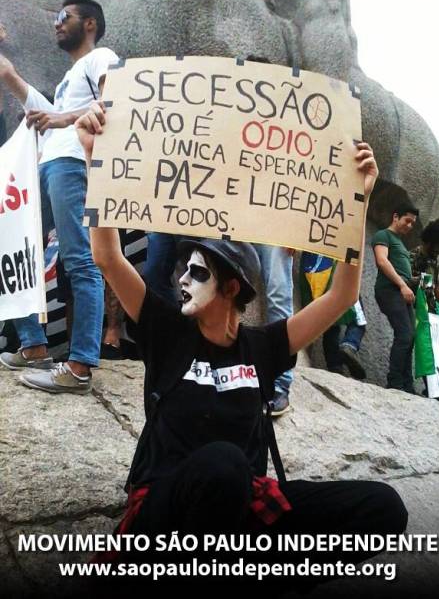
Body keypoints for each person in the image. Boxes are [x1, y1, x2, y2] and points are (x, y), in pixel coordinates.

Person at [70, 103, 407, 596]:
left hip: (243, 517)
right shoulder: (166, 330)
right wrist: (95, 161)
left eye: (199, 271)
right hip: (168, 513)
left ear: (233, 288)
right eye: (183, 269)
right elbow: (107, 255)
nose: (183, 279)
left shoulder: (265, 346)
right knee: (225, 463)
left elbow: (341, 296)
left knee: (382, 507)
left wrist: (356, 201)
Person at [0, 0, 118, 392]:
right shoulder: (71, 78)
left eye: (64, 16)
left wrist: (62, 117)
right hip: (51, 168)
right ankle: (33, 345)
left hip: (72, 167)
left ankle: (81, 365)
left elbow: (116, 104)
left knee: (81, 262)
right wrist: (42, 110)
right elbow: (55, 114)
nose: (56, 23)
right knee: (18, 248)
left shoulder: (102, 57)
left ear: (90, 23)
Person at [372, 202, 419, 393]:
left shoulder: (400, 242)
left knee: (410, 336)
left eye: (413, 223)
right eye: (407, 221)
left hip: (402, 291)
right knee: (405, 334)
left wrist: (413, 281)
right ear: (395, 217)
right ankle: (395, 383)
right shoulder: (383, 235)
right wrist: (402, 285)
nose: (409, 226)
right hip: (390, 290)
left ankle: (407, 385)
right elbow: (382, 261)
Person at [300, 252, 367, 379]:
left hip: (315, 274)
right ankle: (349, 345)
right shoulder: (350, 233)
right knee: (359, 321)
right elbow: (352, 251)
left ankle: (335, 367)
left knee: (331, 324)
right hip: (338, 272)